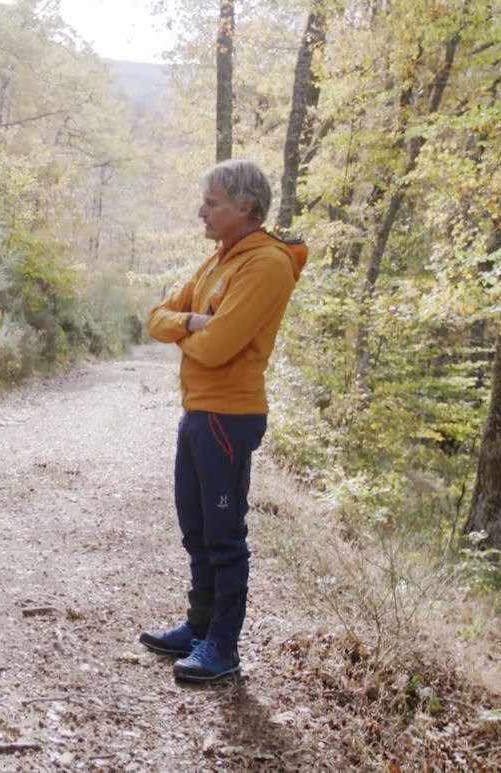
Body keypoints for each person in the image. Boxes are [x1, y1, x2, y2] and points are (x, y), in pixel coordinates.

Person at [140, 159, 307, 682]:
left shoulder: (266, 264)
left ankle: (223, 647)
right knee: (196, 527)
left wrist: (189, 334)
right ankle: (198, 627)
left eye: (211, 204)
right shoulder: (219, 260)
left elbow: (216, 349)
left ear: (245, 208)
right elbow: (155, 318)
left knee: (223, 534)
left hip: (228, 417)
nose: (201, 213)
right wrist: (191, 319)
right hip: (198, 412)